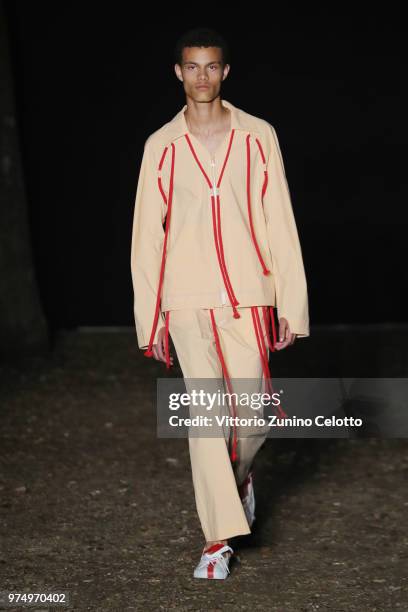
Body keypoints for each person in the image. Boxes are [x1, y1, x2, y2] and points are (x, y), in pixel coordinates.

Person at [130, 26, 310, 579]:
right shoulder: (161, 145)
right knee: (207, 419)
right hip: (185, 298)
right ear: (178, 73)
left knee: (251, 419)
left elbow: (279, 218)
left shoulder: (258, 135)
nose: (202, 76)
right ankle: (217, 539)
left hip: (249, 296)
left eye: (212, 66)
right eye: (192, 66)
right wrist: (150, 316)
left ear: (225, 72)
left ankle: (236, 483)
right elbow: (147, 236)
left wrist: (290, 304)